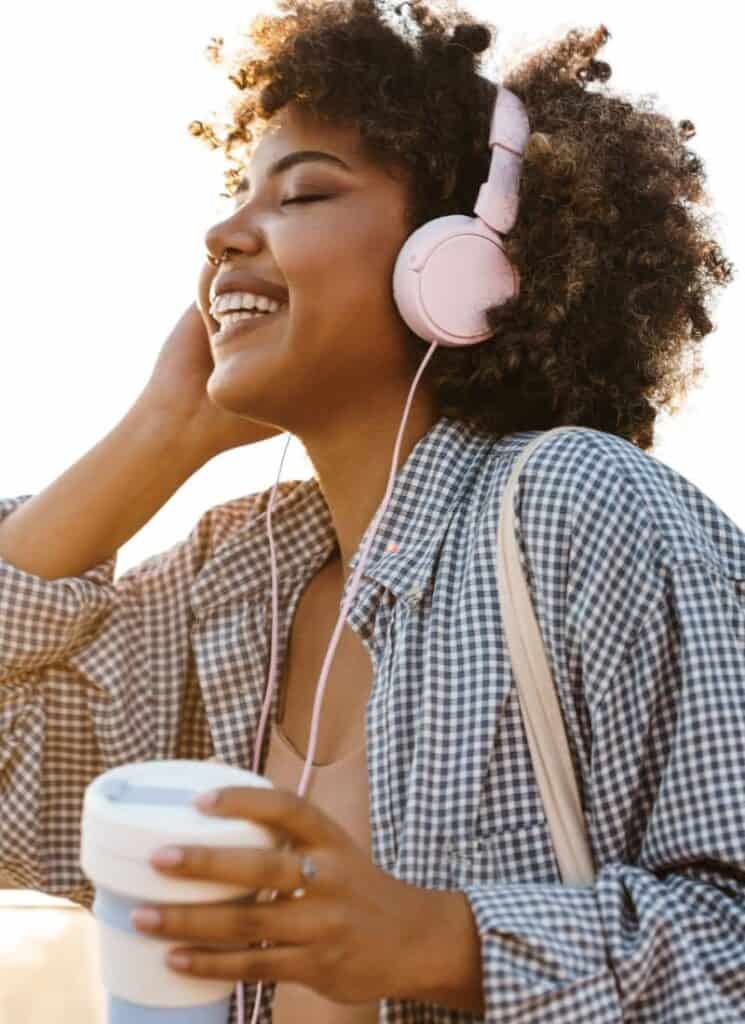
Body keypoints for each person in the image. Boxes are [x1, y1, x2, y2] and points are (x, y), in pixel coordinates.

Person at [0, 2, 741, 1022]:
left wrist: (435, 941)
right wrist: (156, 436)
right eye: (235, 194)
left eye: (301, 191)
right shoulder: (231, 578)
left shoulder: (579, 507)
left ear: (456, 264)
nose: (222, 233)